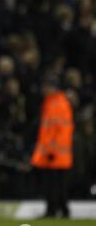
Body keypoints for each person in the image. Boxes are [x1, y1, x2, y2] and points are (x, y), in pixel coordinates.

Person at [31, 75, 74, 218]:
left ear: (52, 87)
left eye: (45, 87)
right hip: (55, 152)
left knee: (54, 185)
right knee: (56, 184)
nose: (43, 90)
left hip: (55, 153)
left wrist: (51, 150)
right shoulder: (53, 102)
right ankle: (60, 210)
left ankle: (55, 210)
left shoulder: (57, 104)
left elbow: (61, 130)